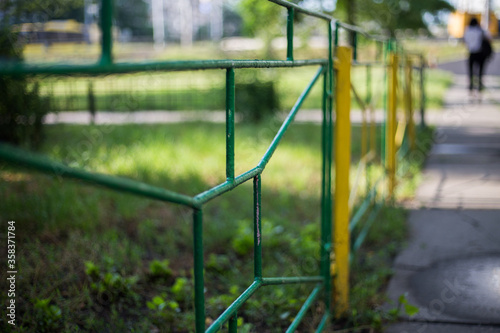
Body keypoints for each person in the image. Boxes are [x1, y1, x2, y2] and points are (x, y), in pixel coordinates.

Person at [463, 18, 491, 92]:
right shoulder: (480, 30)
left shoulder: (467, 31)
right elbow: (489, 38)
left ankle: (471, 85)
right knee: (481, 70)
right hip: (480, 53)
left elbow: (465, 41)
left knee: (471, 70)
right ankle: (479, 85)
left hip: (471, 53)